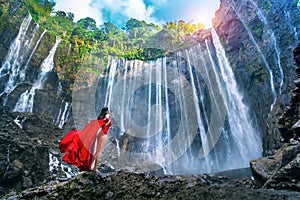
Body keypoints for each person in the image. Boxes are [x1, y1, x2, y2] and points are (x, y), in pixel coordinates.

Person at [59, 107, 112, 171]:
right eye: (109, 111)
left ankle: (90, 167)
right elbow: (106, 122)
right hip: (103, 135)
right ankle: (95, 168)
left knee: (94, 151)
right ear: (106, 112)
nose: (110, 112)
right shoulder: (107, 116)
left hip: (99, 134)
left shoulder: (99, 118)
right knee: (99, 151)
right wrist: (107, 117)